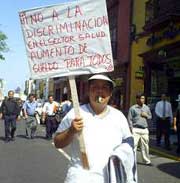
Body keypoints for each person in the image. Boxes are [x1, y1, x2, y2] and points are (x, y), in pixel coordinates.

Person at [54, 74, 136, 183]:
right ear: (89, 91)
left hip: (110, 179)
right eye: (95, 87)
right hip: (79, 178)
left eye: (104, 88)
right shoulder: (75, 113)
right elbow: (57, 143)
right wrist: (71, 131)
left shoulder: (119, 117)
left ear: (110, 93)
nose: (99, 91)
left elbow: (129, 146)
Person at [128, 93, 152, 166]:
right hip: (136, 129)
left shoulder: (146, 108)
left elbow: (150, 117)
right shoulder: (133, 108)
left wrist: (146, 115)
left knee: (145, 146)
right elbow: (129, 119)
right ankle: (132, 161)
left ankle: (147, 161)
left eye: (144, 98)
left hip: (144, 129)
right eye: (141, 98)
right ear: (137, 99)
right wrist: (131, 129)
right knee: (134, 146)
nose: (143, 100)